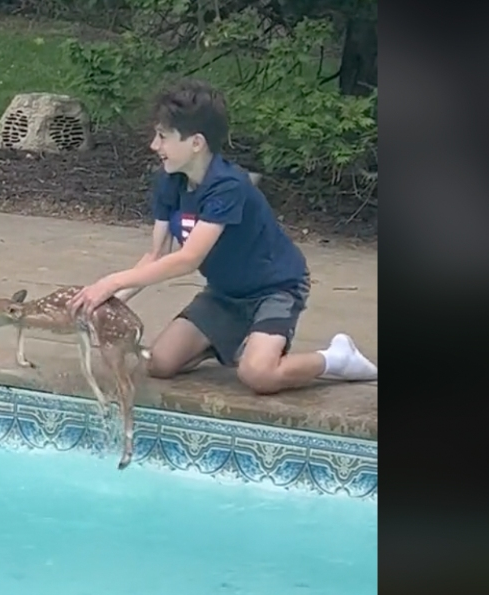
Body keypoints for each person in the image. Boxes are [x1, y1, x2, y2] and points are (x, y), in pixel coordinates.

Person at [67, 79, 377, 394]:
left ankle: (336, 358)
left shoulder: (228, 186)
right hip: (225, 294)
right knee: (160, 363)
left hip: (276, 289)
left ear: (196, 143)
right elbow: (156, 255)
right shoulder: (169, 180)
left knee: (258, 375)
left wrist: (112, 281)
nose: (153, 145)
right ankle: (234, 342)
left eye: (163, 136)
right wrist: (106, 303)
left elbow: (189, 259)